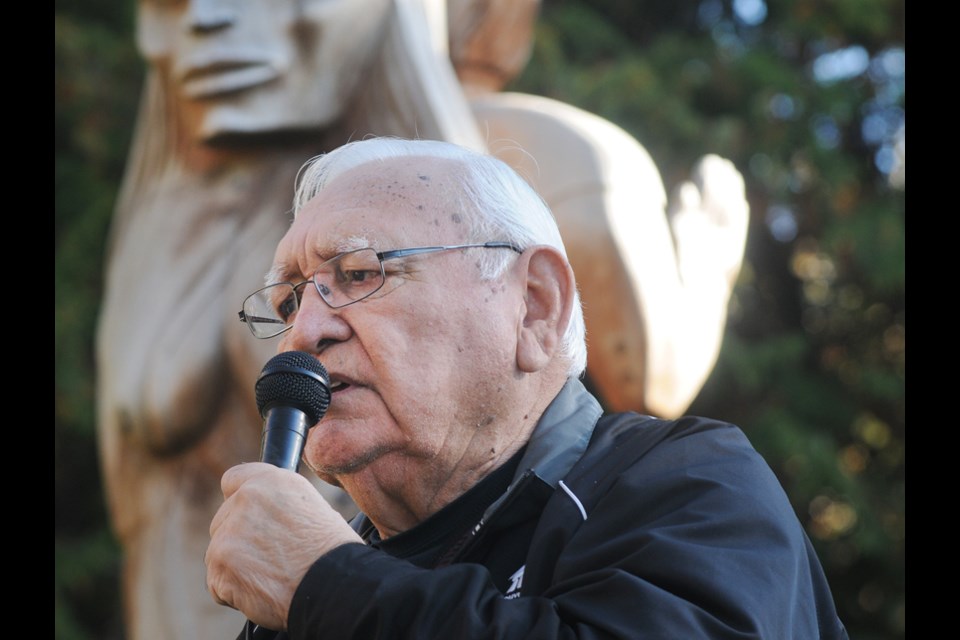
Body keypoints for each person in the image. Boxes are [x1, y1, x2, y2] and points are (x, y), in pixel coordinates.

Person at [204, 137, 848, 640]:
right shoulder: (313, 581)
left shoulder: (690, 484)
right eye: (288, 302)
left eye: (360, 272)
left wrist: (328, 586)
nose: (303, 331)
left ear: (536, 307)